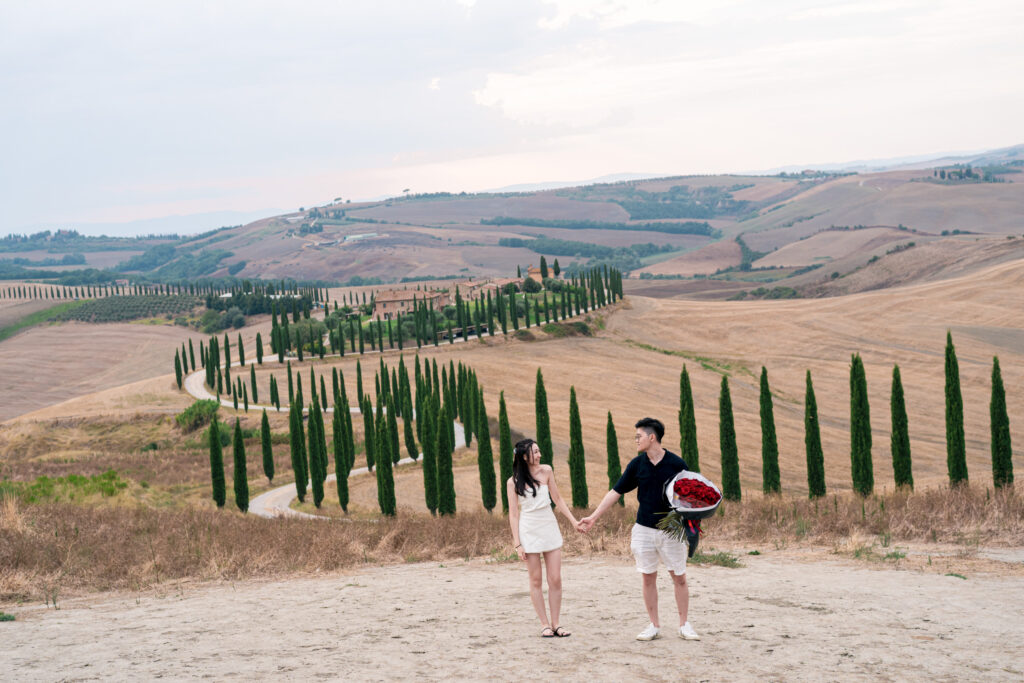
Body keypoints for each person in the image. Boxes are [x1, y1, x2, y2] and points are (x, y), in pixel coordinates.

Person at [578, 417, 700, 641]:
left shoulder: (677, 464)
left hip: (671, 531)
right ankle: (654, 625)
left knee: (679, 577)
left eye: (638, 436)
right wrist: (593, 517)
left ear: (651, 437)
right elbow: (616, 492)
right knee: (647, 577)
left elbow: (690, 497)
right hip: (643, 529)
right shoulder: (637, 465)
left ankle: (684, 625)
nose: (635, 440)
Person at [507, 438, 579, 637]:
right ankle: (544, 624)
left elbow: (558, 499)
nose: (539, 455)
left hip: (549, 525)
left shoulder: (547, 471)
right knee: (536, 580)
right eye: (535, 452)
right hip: (529, 530)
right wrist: (517, 543)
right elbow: (513, 514)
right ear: (524, 456)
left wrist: (573, 521)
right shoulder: (512, 482)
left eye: (539, 451)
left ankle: (557, 623)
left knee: (555, 578)